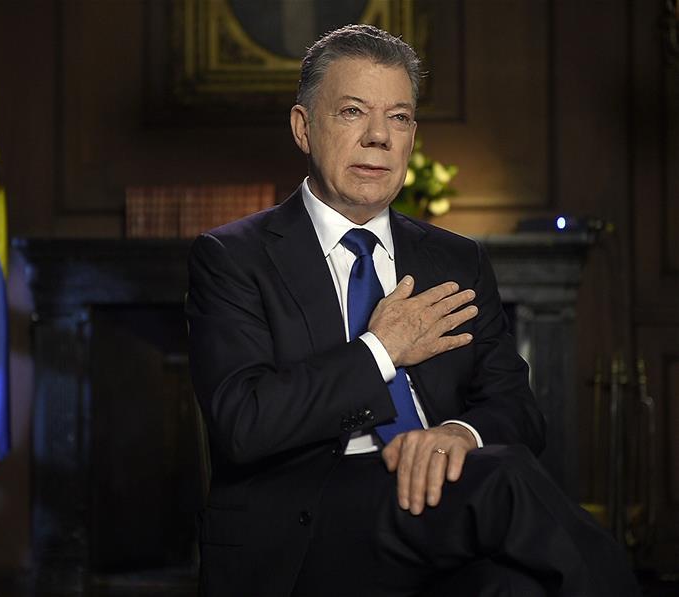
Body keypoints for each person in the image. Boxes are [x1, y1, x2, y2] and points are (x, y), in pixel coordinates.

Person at [186, 24, 639, 597]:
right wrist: (380, 351)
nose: (379, 136)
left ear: (412, 136)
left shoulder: (456, 259)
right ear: (304, 128)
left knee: (511, 585)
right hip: (304, 527)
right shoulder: (233, 256)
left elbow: (517, 409)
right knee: (503, 479)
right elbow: (242, 423)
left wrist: (458, 432)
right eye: (353, 112)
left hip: (437, 503)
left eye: (398, 118)